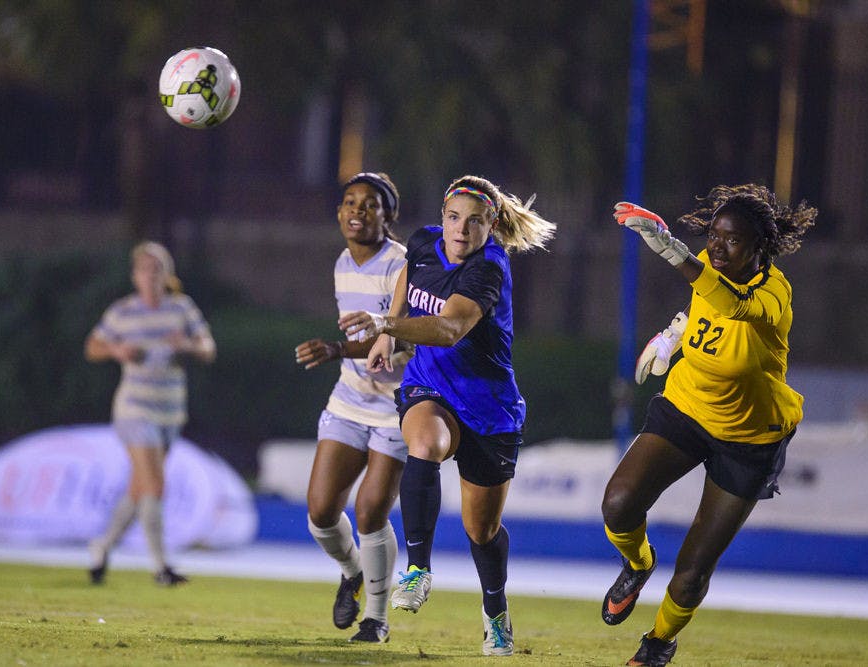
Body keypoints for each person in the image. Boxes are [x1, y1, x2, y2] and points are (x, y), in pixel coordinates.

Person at [340, 175, 556, 656]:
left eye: (474, 222)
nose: (460, 231)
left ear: (491, 225)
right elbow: (408, 278)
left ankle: (496, 614)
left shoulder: (489, 268)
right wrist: (388, 335)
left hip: (489, 408)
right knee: (425, 444)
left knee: (482, 531)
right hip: (429, 387)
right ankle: (418, 568)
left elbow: (449, 327)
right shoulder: (423, 243)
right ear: (442, 218)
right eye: (453, 218)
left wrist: (384, 323)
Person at [602, 184, 817, 666]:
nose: (717, 247)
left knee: (694, 570)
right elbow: (704, 304)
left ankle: (658, 643)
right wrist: (672, 336)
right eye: (714, 236)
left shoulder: (774, 293)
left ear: (759, 249)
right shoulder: (710, 264)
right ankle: (638, 565)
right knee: (618, 504)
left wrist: (674, 253)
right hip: (689, 406)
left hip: (749, 436)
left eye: (732, 240)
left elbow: (733, 306)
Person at [293, 172, 409, 644]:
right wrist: (343, 352)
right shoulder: (342, 261)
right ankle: (352, 571)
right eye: (349, 202)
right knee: (321, 511)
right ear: (339, 212)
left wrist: (338, 349)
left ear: (388, 215)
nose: (357, 211)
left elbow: (401, 335)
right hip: (350, 399)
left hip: (398, 406)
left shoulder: (402, 265)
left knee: (370, 514)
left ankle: (376, 619)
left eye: (369, 204)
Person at [84, 241, 216, 586]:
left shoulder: (181, 308)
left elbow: (207, 347)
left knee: (140, 487)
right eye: (144, 268)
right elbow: (93, 346)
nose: (150, 275)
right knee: (155, 484)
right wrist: (117, 349)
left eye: (157, 268)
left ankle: (101, 547)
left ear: (166, 275)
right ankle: (161, 567)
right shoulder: (123, 312)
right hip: (134, 408)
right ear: (135, 275)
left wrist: (185, 346)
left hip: (170, 410)